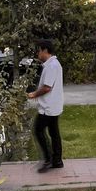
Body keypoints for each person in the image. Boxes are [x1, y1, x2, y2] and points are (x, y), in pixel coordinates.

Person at [27, 39, 64, 172]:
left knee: (38, 130)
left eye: (39, 51)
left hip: (48, 107)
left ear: (45, 51)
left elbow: (47, 87)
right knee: (54, 133)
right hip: (54, 106)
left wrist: (34, 94)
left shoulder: (52, 66)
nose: (38, 54)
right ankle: (57, 161)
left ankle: (48, 160)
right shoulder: (53, 64)